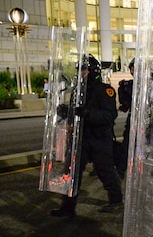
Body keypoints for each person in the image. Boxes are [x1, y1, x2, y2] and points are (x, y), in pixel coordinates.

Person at [50, 55, 123, 217]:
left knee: (105, 170)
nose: (81, 73)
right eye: (80, 70)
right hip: (81, 138)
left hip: (99, 138)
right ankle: (68, 207)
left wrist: (88, 113)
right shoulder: (78, 91)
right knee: (72, 171)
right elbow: (75, 114)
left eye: (84, 69)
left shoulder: (105, 90)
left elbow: (110, 115)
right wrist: (66, 112)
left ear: (92, 71)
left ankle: (116, 200)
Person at [115, 58, 134, 176]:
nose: (133, 70)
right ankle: (122, 168)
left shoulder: (150, 83)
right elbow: (125, 105)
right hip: (132, 118)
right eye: (132, 68)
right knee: (126, 143)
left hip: (149, 119)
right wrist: (122, 90)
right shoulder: (128, 85)